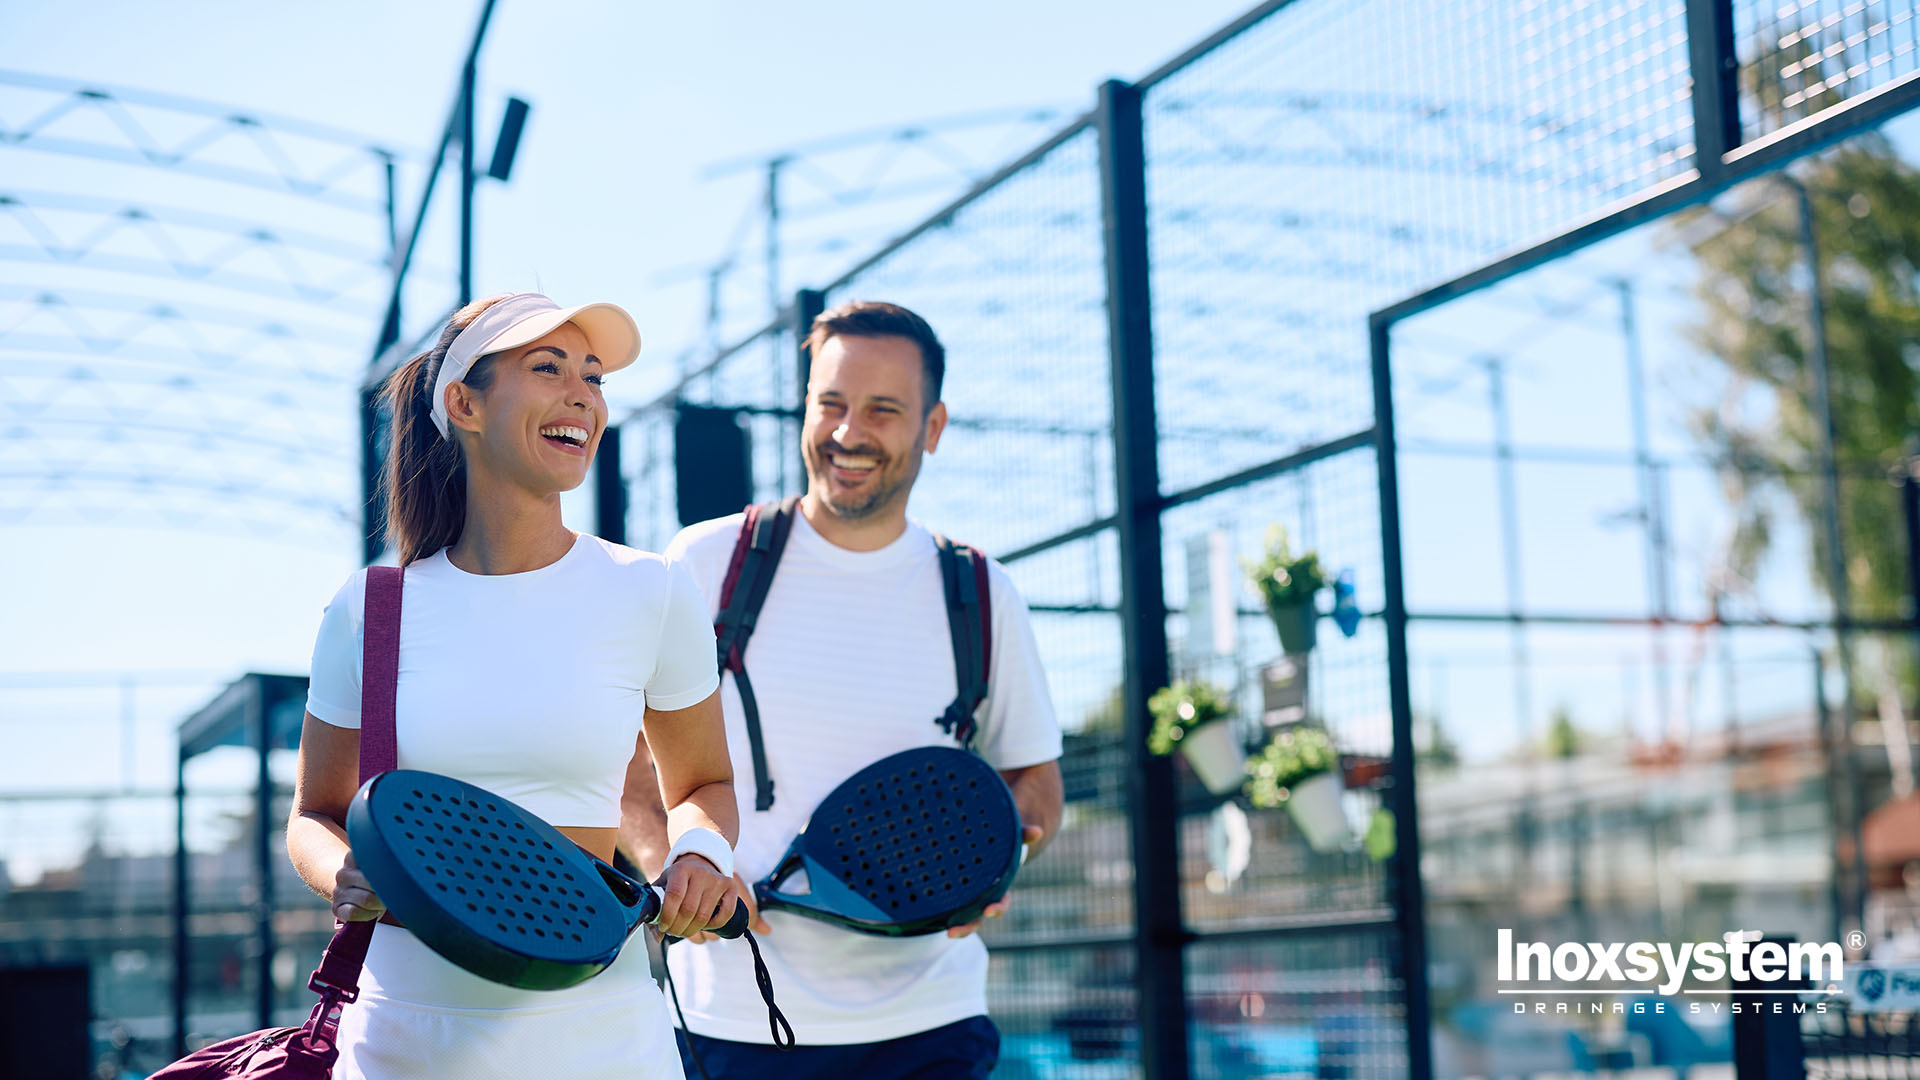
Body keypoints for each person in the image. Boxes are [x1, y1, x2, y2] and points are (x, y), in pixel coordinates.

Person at [288, 292, 742, 1080]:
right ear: (463, 403)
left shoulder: (653, 590)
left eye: (593, 378)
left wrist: (698, 853)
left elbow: (704, 781)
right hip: (405, 1036)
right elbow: (313, 818)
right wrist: (342, 874)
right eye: (547, 368)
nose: (583, 396)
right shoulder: (370, 608)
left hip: (604, 1032)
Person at [626, 300, 1065, 1079]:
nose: (847, 433)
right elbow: (623, 761)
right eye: (829, 404)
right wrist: (676, 865)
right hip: (732, 1024)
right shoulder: (703, 563)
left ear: (932, 427)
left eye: (883, 410)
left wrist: (998, 851)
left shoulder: (981, 590)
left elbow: (1036, 785)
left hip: (935, 1025)